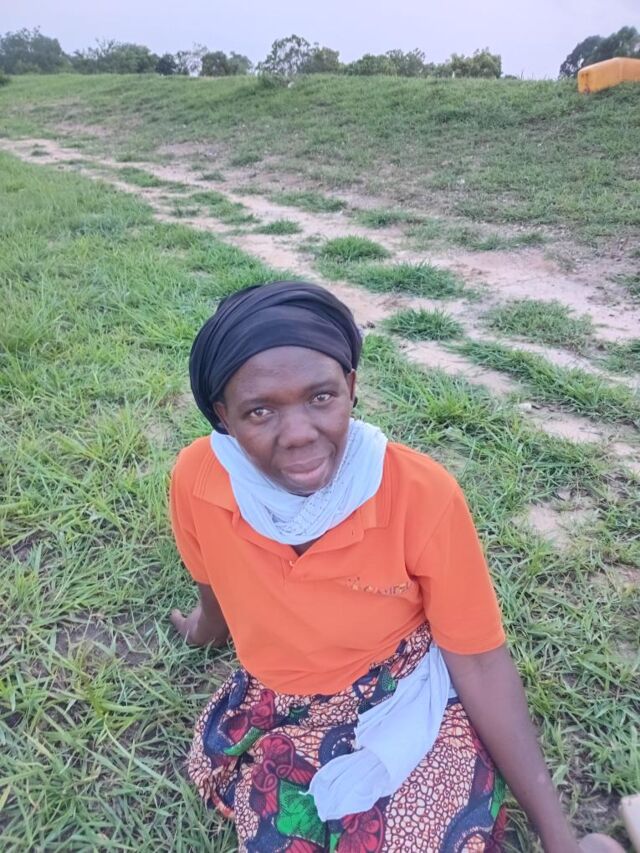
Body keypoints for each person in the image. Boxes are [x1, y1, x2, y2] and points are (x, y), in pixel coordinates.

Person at [169, 281, 624, 852]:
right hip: (279, 699)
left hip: (400, 691)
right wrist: (204, 630)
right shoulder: (200, 479)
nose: (300, 435)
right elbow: (212, 581)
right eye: (260, 411)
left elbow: (480, 662)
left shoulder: (419, 493)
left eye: (321, 397)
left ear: (351, 388)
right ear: (223, 416)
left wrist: (561, 840)